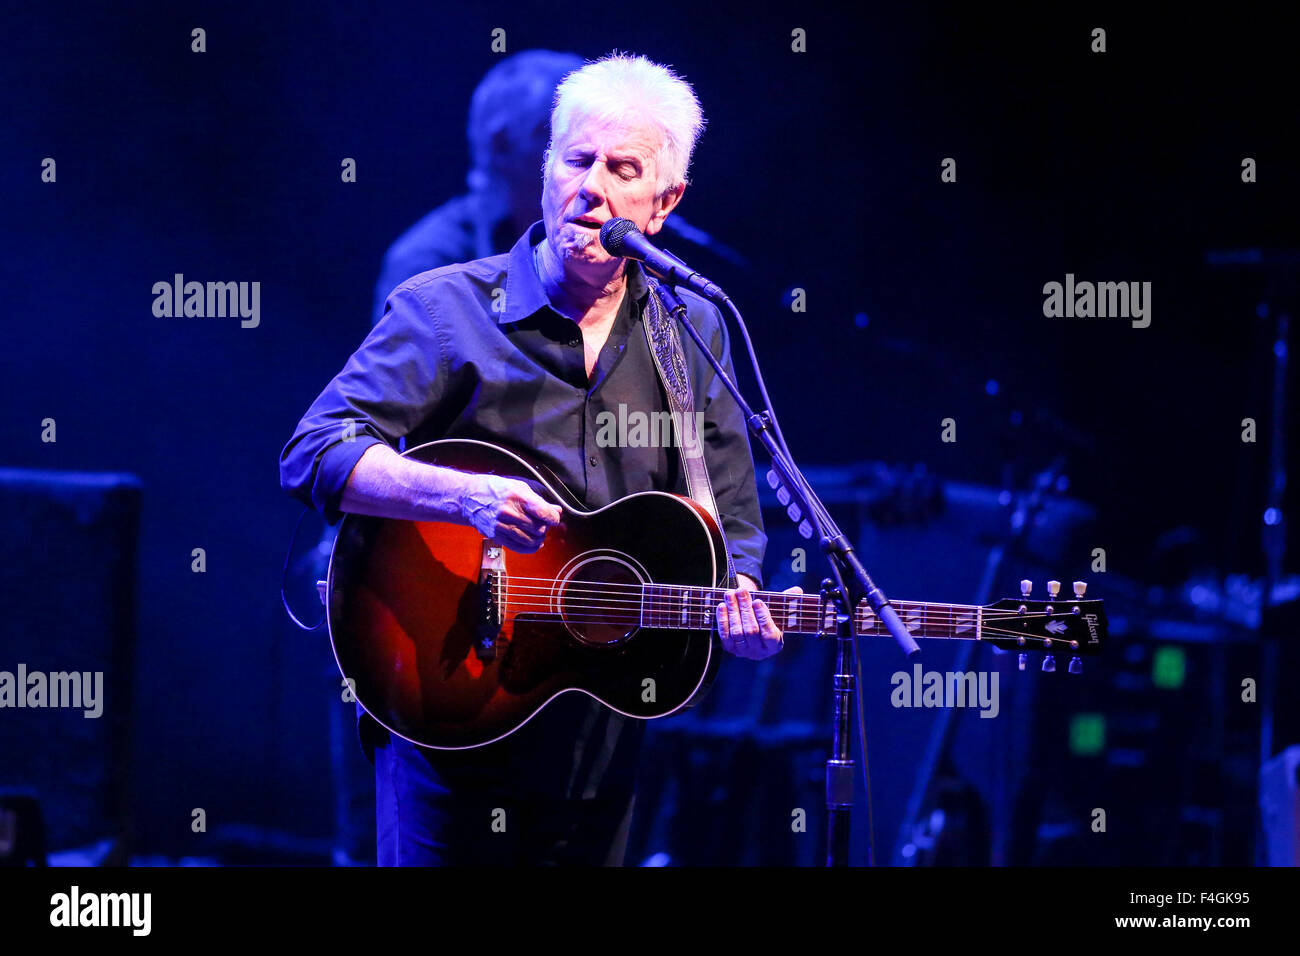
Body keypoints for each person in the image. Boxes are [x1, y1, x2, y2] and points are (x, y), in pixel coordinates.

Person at [281, 52, 791, 866]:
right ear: (547, 169)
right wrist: (462, 499)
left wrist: (746, 601)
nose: (592, 186)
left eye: (623, 169)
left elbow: (729, 515)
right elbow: (314, 452)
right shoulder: (445, 306)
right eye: (576, 159)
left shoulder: (693, 326)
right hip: (446, 687)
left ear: (663, 206)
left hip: (602, 710)